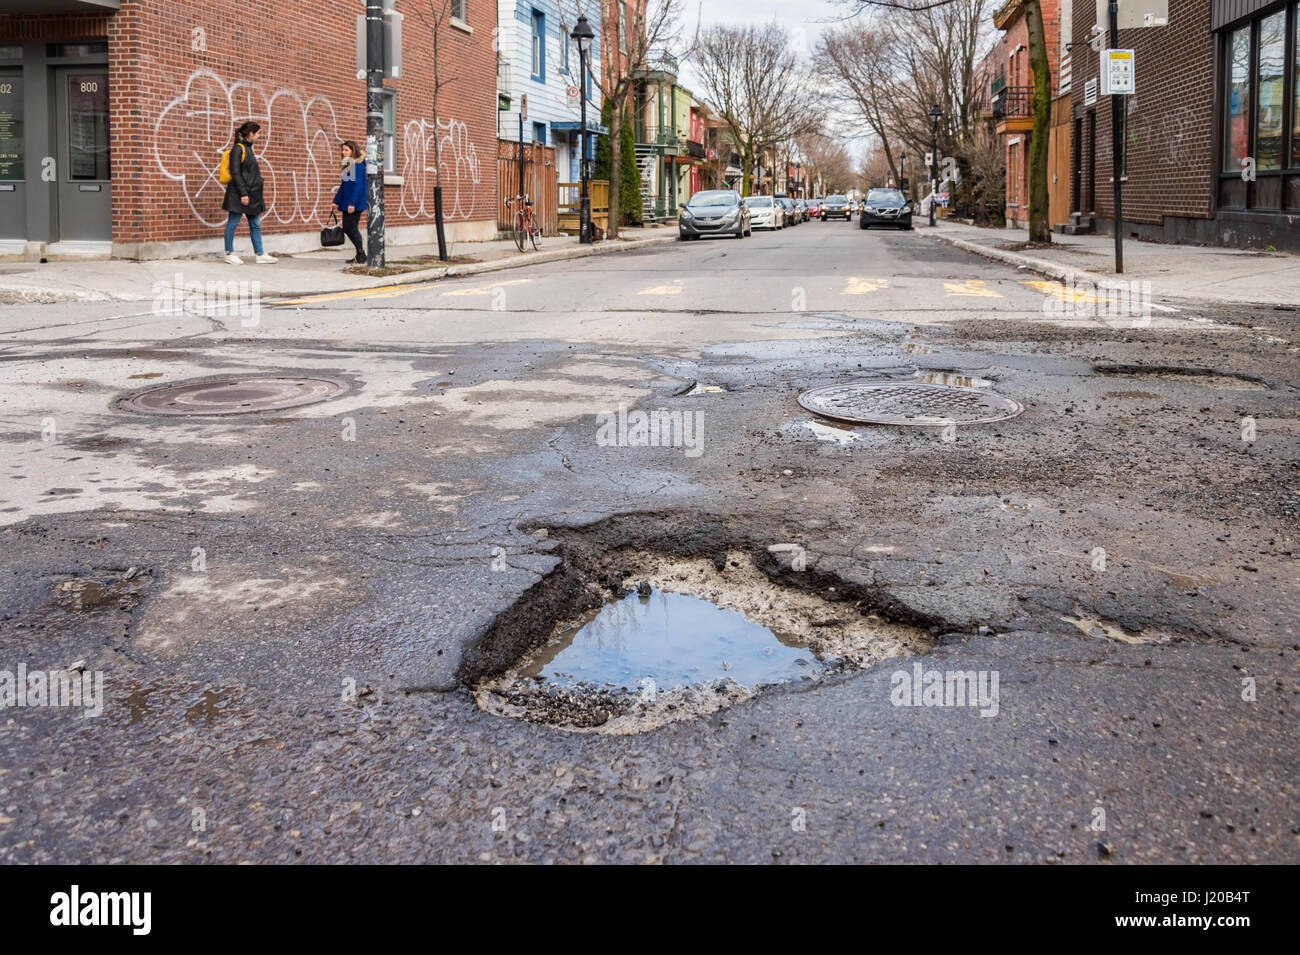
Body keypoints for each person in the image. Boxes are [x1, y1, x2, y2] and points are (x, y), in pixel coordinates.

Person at [222, 121, 274, 265]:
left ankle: (260, 254)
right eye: (257, 133)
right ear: (250, 133)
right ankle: (229, 253)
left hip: (252, 194)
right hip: (241, 194)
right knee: (233, 222)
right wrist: (243, 194)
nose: (258, 136)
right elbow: (235, 173)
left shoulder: (248, 148)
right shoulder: (238, 149)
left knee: (255, 223)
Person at [333, 140, 368, 265]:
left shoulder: (358, 166)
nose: (343, 152)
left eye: (346, 150)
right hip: (347, 202)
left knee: (350, 227)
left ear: (353, 151)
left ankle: (361, 254)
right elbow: (344, 185)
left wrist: (352, 203)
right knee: (348, 228)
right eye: (342, 150)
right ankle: (360, 254)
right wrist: (336, 201)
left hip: (354, 203)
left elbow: (358, 186)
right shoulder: (349, 165)